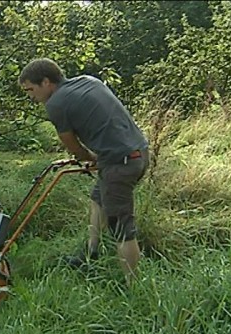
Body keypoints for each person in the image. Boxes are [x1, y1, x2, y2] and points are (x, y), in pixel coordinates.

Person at [18, 58, 149, 286]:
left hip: (122, 162)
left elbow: (70, 142)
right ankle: (91, 252)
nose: (30, 96)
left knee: (121, 226)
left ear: (46, 82)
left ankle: (134, 287)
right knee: (98, 198)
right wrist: (100, 159)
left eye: (31, 89)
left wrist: (88, 158)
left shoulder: (55, 103)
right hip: (138, 152)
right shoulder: (89, 80)